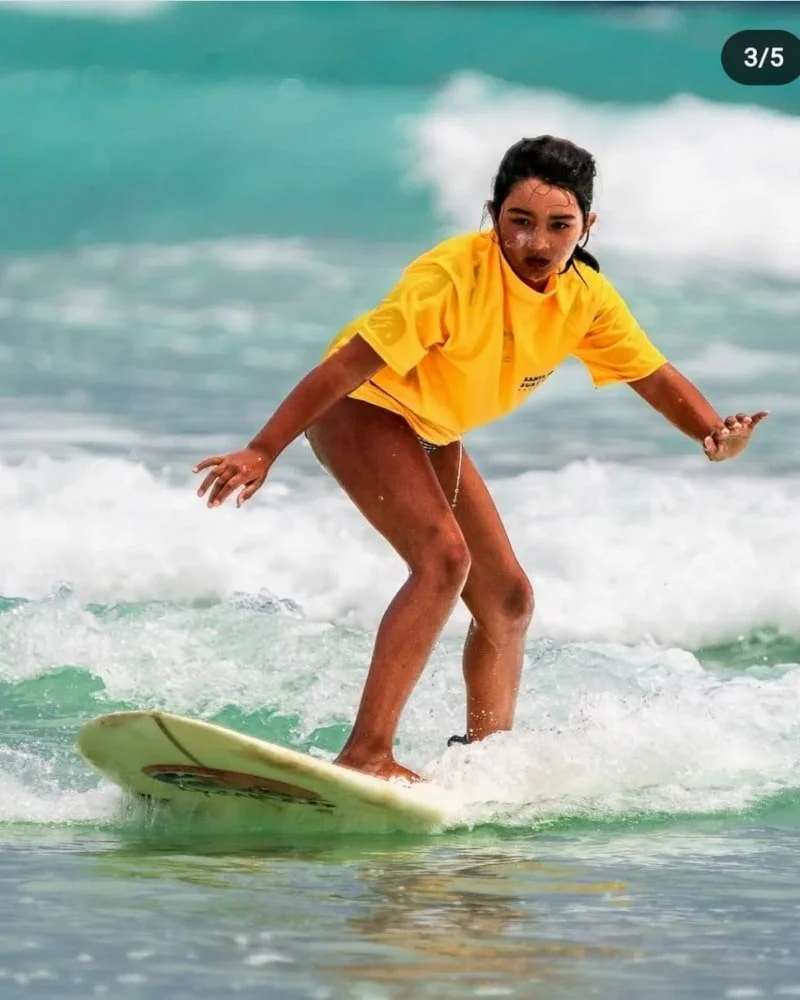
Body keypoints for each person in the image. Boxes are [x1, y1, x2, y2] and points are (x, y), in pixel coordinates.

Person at [193, 135, 768, 783]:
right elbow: (349, 363)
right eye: (518, 222)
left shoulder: (585, 299)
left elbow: (653, 375)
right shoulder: (449, 279)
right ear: (493, 215)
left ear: (587, 226)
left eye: (559, 226)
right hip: (360, 407)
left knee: (509, 599)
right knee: (443, 561)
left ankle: (483, 762)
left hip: (431, 428)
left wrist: (712, 434)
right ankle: (368, 754)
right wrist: (263, 448)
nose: (537, 243)